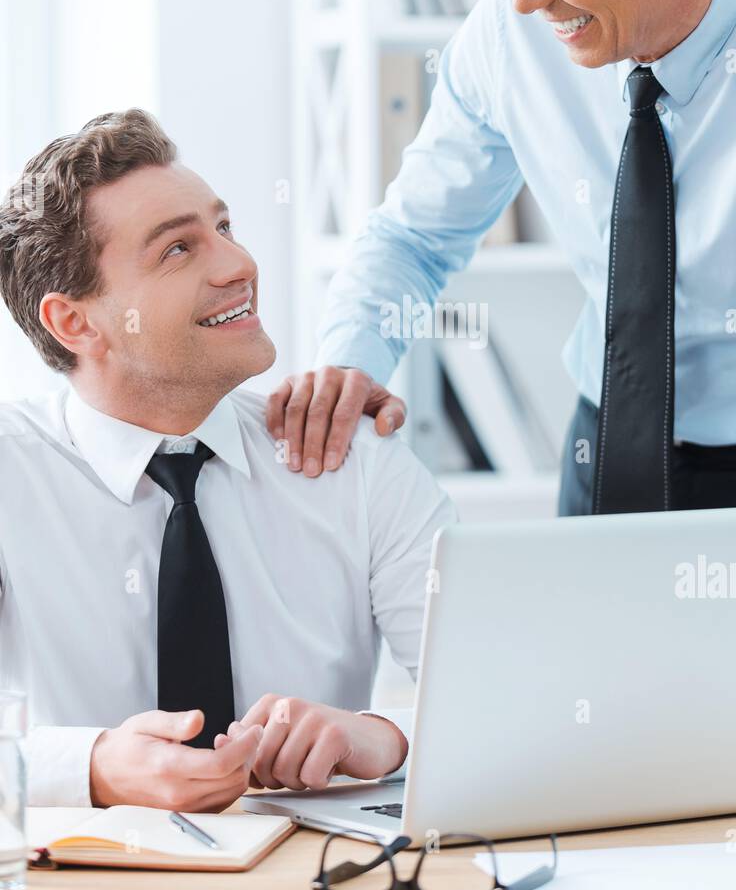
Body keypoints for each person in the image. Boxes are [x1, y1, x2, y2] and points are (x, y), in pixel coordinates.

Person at [265, 0, 736, 798]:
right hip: (609, 451)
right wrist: (350, 362)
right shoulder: (511, 40)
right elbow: (413, 235)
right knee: (593, 768)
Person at [0, 109, 455, 808]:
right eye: (178, 250)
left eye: (224, 228)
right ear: (75, 322)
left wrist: (383, 736)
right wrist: (89, 767)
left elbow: (516, 701)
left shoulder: (351, 455)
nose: (239, 265)